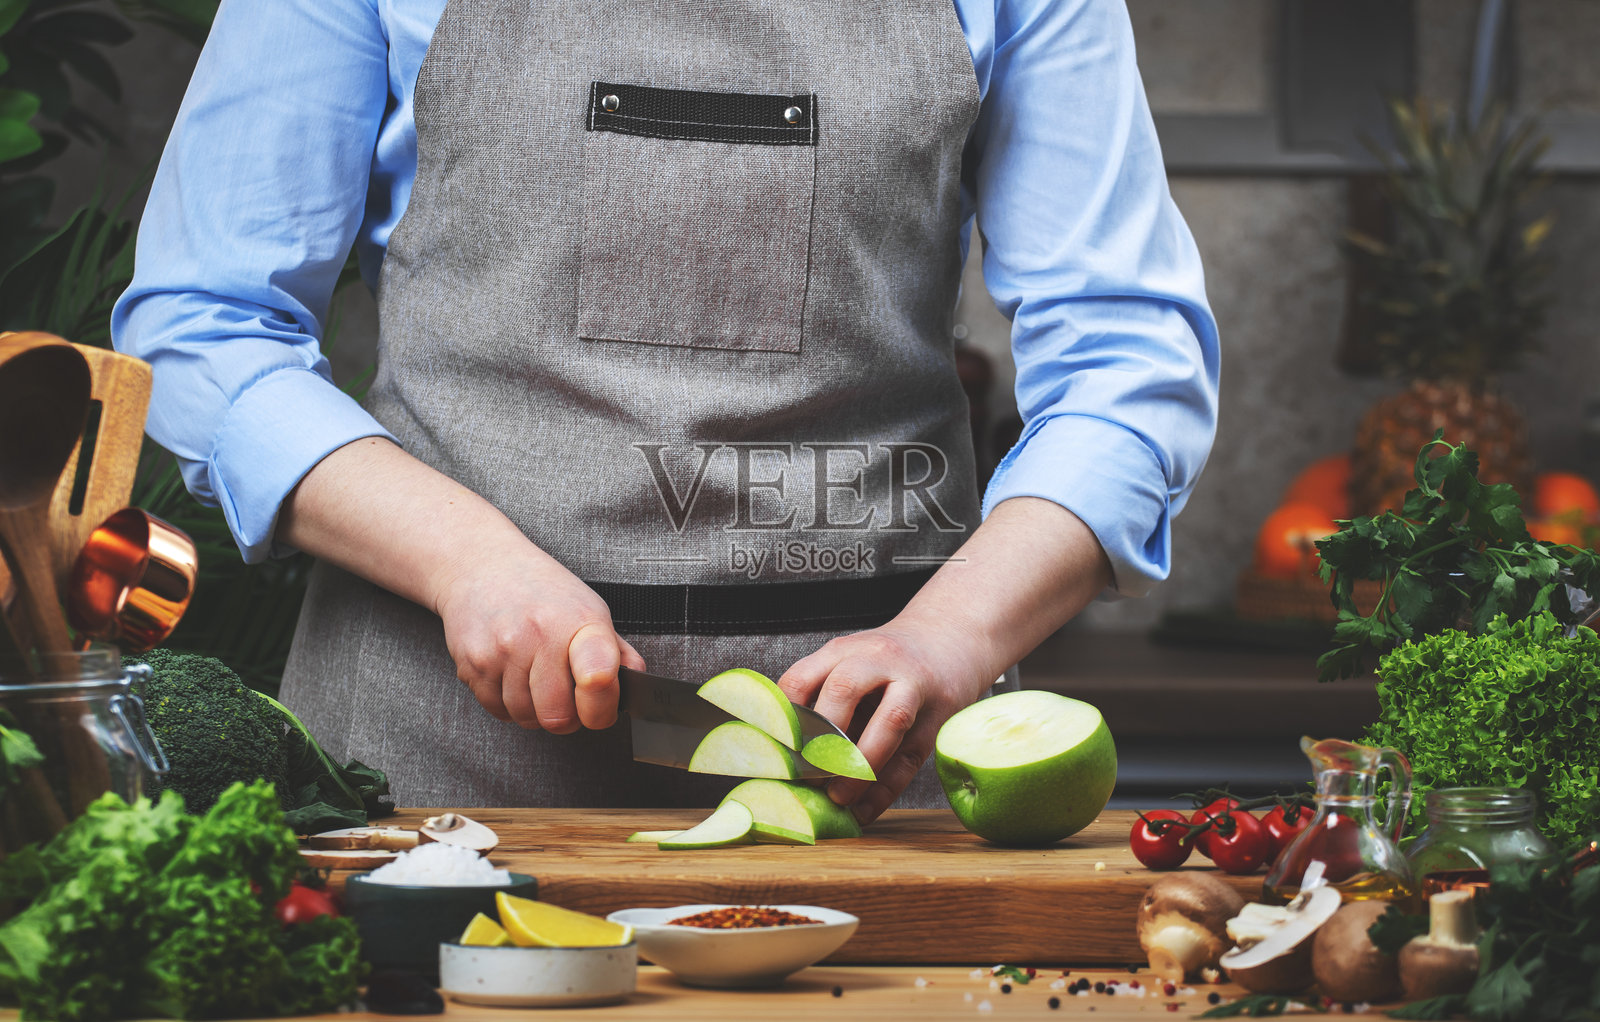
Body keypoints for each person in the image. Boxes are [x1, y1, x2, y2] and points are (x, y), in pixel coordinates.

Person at [113, 0, 1220, 822]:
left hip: (878, 764)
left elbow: (1127, 361)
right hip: (429, 755)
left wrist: (950, 633)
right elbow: (204, 322)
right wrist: (465, 563)